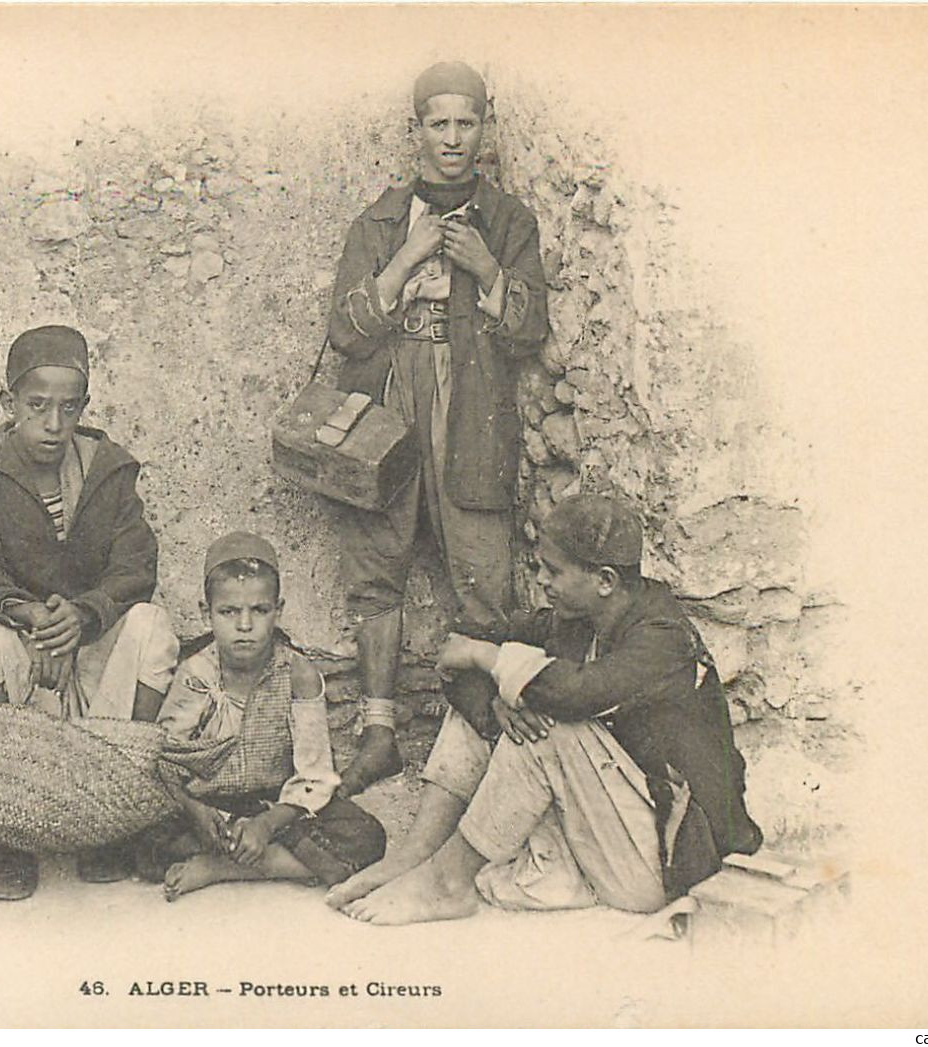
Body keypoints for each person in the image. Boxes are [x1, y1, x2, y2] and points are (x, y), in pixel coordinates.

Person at [328, 493, 763, 924]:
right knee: (508, 697)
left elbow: (574, 693)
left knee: (549, 722)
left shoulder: (662, 637)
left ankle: (449, 884)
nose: (541, 581)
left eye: (552, 571)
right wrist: (492, 706)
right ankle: (415, 855)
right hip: (607, 834)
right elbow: (461, 641)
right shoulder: (576, 620)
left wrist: (488, 659)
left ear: (605, 581)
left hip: (666, 861)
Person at [327, 61, 550, 796]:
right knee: (375, 569)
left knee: (484, 572)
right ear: (414, 129)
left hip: (471, 413)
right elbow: (347, 334)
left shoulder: (509, 221)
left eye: (466, 124)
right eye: (437, 123)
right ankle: (379, 731)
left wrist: (487, 270)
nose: (451, 140)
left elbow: (527, 332)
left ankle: (477, 739)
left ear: (483, 128)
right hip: (389, 411)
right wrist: (405, 260)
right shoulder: (381, 222)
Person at [0, 323, 180, 900]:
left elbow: (135, 566)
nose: (52, 424)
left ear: (84, 407)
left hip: (89, 643)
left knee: (152, 626)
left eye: (68, 409)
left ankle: (111, 811)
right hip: (24, 643)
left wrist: (86, 614)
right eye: (36, 406)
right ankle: (9, 832)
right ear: (8, 403)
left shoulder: (107, 469)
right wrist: (27, 616)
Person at [147, 532, 386, 900]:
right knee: (144, 842)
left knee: (366, 840)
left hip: (276, 806)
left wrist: (266, 824)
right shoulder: (196, 673)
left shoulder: (298, 674)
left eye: (259, 611)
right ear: (204, 612)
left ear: (279, 610)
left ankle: (223, 868)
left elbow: (315, 772)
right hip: (210, 808)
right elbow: (167, 760)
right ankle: (265, 859)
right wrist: (196, 812)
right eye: (228, 612)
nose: (245, 626)